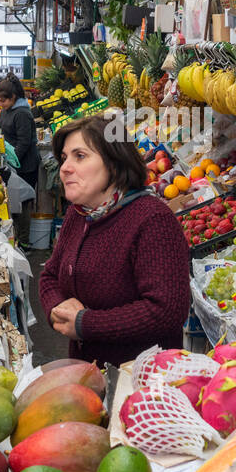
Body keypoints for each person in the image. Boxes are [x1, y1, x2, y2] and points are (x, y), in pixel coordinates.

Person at [39, 114, 190, 364]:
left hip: (142, 384)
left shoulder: (152, 220)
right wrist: (58, 310)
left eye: (80, 156)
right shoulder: (79, 214)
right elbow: (50, 276)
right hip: (88, 376)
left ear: (114, 163)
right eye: (64, 157)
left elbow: (166, 311)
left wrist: (85, 323)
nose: (65, 167)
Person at [0, 75, 39, 246]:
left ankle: (25, 242)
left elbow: (24, 142)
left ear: (13, 97)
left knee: (22, 203)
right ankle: (16, 238)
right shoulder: (8, 110)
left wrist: (13, 163)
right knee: (13, 201)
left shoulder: (21, 113)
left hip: (25, 165)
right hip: (12, 162)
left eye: (3, 100)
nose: (0, 104)